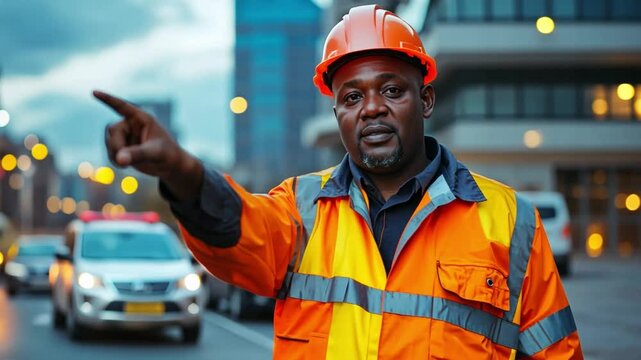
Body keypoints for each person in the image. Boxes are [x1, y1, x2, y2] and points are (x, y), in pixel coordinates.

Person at [96, 4, 583, 359]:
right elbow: (237, 231)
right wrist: (180, 169)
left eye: (391, 90)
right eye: (352, 97)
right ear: (337, 114)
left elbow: (555, 353)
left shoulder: (510, 222)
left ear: (426, 100)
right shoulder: (299, 211)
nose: (371, 108)